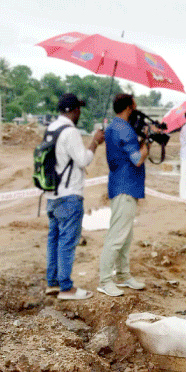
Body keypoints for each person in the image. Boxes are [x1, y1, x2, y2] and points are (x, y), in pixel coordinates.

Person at [45, 94, 105, 300]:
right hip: (69, 195)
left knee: (53, 239)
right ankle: (66, 287)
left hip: (51, 195)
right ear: (72, 110)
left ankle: (52, 283)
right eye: (78, 109)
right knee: (67, 241)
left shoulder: (51, 129)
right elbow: (83, 160)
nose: (80, 112)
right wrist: (94, 142)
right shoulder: (70, 132)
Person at [97, 94, 149, 297]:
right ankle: (105, 280)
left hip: (120, 184)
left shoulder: (113, 127)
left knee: (125, 235)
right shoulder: (124, 130)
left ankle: (123, 274)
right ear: (129, 107)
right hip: (125, 186)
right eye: (134, 106)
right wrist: (146, 145)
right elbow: (137, 159)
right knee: (117, 236)